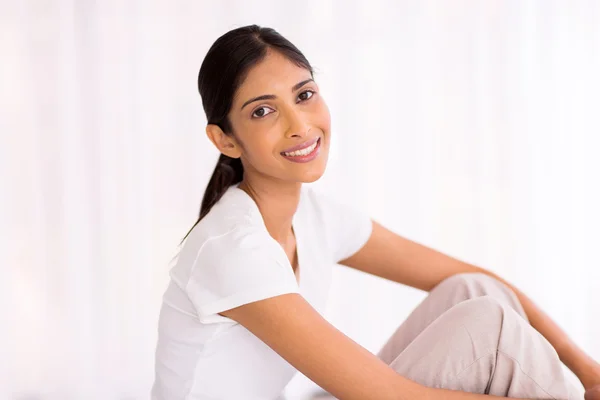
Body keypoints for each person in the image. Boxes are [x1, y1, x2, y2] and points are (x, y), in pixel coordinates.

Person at [151, 24, 600, 400]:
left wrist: (588, 371)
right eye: (264, 111)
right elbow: (387, 396)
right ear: (225, 140)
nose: (300, 125)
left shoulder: (314, 216)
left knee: (473, 291)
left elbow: (478, 277)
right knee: (492, 327)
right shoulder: (232, 250)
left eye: (304, 95)